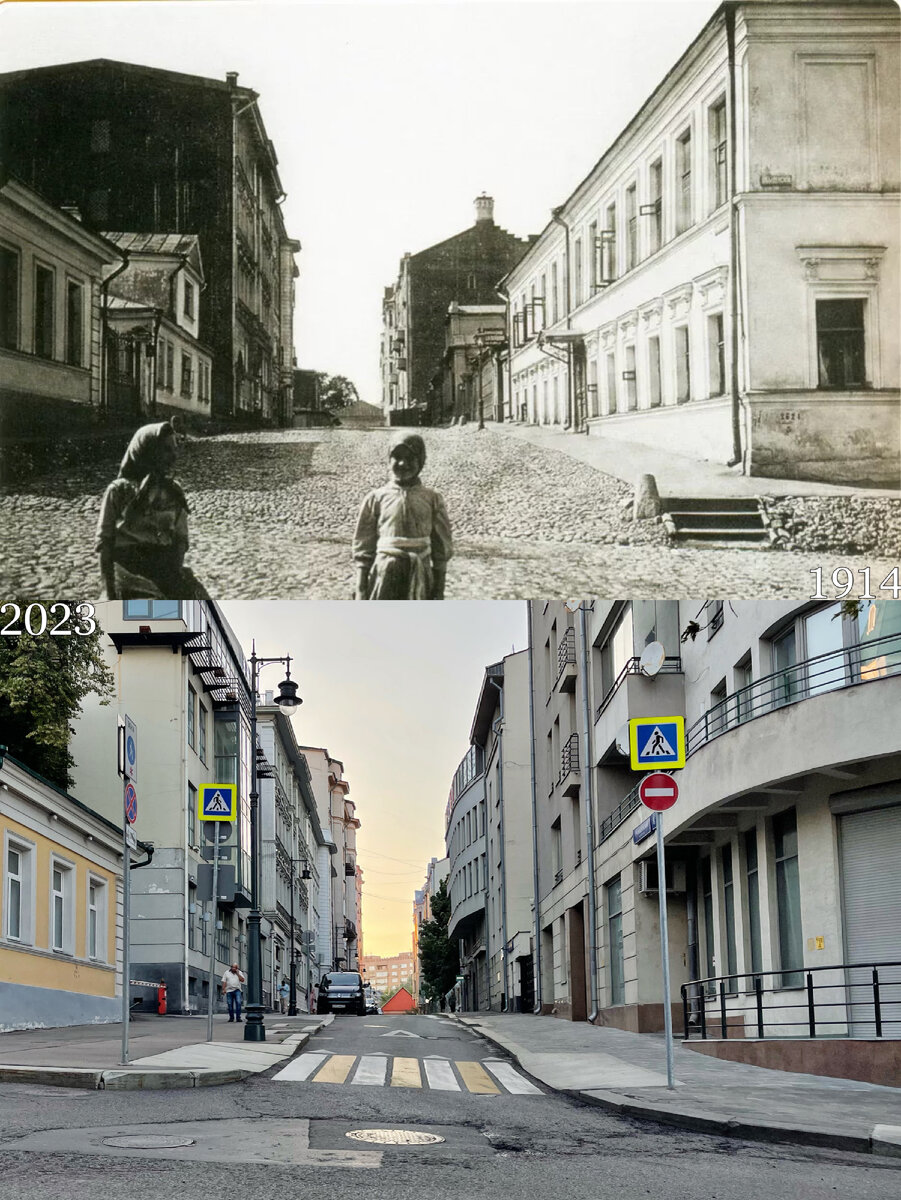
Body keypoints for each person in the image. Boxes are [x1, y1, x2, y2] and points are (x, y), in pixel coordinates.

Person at [96, 421, 207, 599]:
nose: (173, 456)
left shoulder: (174, 492)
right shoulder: (119, 491)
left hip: (162, 568)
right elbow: (105, 543)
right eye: (166, 449)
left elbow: (180, 539)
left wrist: (173, 577)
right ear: (147, 450)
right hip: (128, 570)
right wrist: (108, 591)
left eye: (175, 449)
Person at [352, 432, 452, 600]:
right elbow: (364, 545)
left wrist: (439, 589)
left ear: (421, 461)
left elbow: (441, 547)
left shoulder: (432, 499)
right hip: (384, 575)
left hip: (420, 575)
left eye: (410, 458)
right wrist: (361, 588)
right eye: (396, 457)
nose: (403, 463)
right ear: (388, 460)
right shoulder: (375, 498)